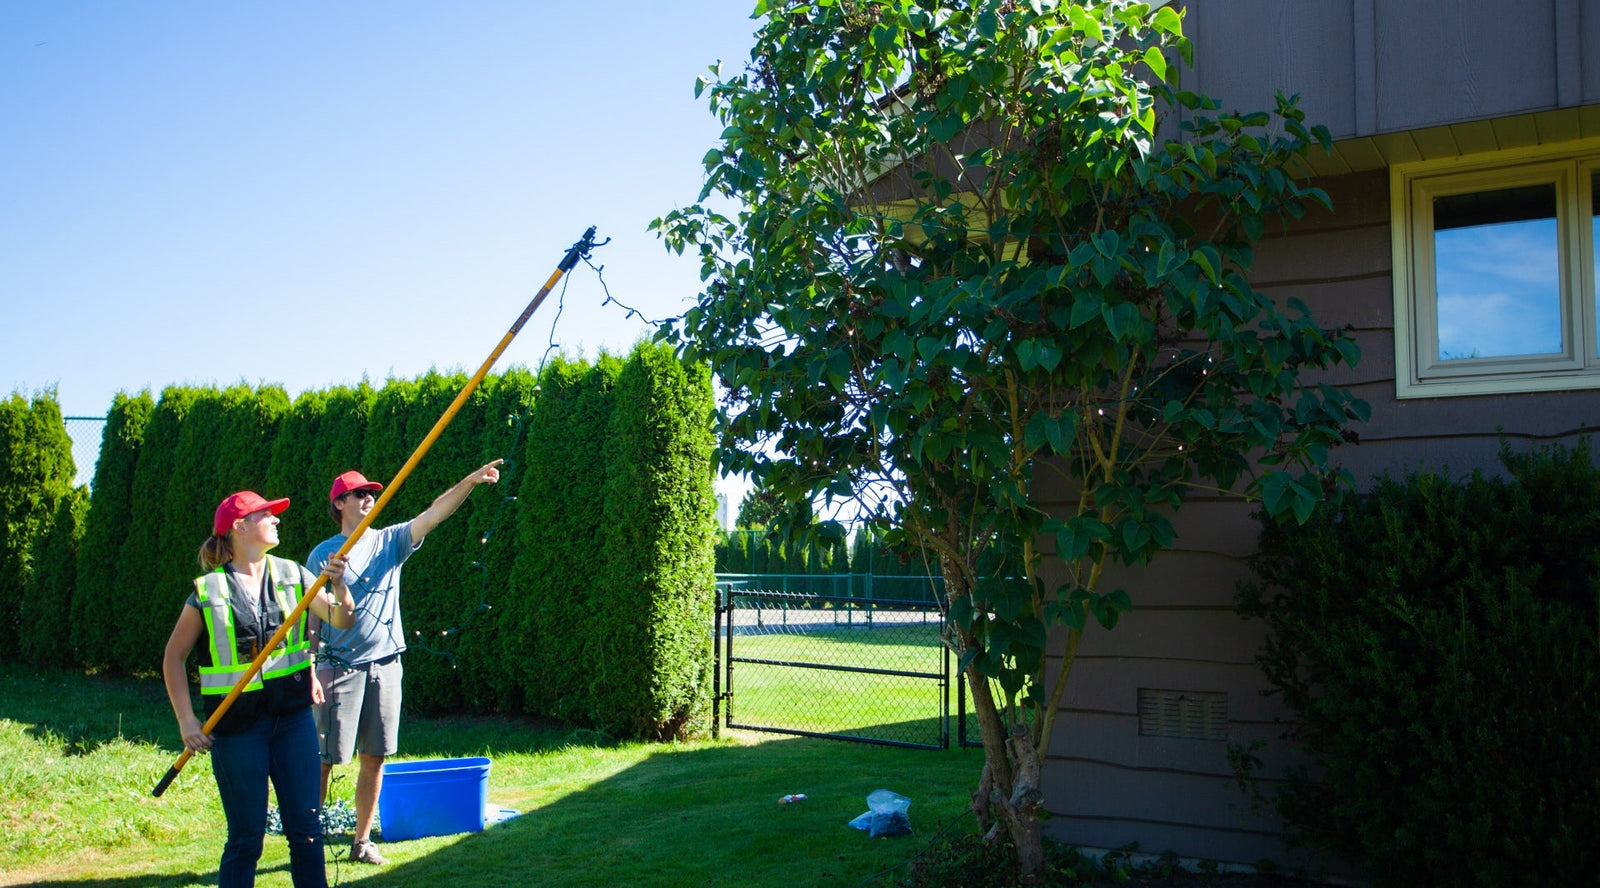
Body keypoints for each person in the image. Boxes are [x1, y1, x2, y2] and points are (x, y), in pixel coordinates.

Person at [307, 460, 501, 866]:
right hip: (337, 666)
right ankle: (306, 842)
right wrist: (310, 667)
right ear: (339, 503)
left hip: (386, 663)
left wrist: (468, 480)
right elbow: (311, 618)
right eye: (359, 494)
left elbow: (433, 514)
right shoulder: (323, 554)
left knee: (374, 756)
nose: (369, 498)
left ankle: (361, 842)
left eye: (371, 493)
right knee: (323, 760)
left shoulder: (389, 541)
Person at [162, 490, 356, 888]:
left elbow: (341, 619)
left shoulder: (293, 574)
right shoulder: (208, 591)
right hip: (235, 731)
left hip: (293, 722)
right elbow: (173, 658)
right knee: (247, 838)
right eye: (267, 514)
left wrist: (339, 586)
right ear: (240, 526)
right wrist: (186, 720)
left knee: (306, 831)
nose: (277, 519)